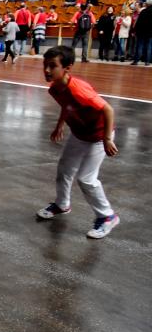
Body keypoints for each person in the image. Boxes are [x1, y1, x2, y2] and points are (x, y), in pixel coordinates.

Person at [36, 46, 119, 239]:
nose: (47, 70)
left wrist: (107, 139)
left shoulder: (78, 89)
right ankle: (62, 204)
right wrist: (60, 125)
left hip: (98, 138)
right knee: (64, 170)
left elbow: (108, 110)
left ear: (67, 68)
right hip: (79, 134)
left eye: (52, 66)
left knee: (86, 179)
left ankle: (107, 216)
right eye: (45, 66)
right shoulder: (55, 88)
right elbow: (67, 106)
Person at [131, 0, 152, 66]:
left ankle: (136, 61)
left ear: (148, 4)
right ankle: (147, 62)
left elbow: (139, 22)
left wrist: (134, 30)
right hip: (150, 33)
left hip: (141, 32)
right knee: (148, 47)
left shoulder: (143, 11)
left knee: (139, 46)